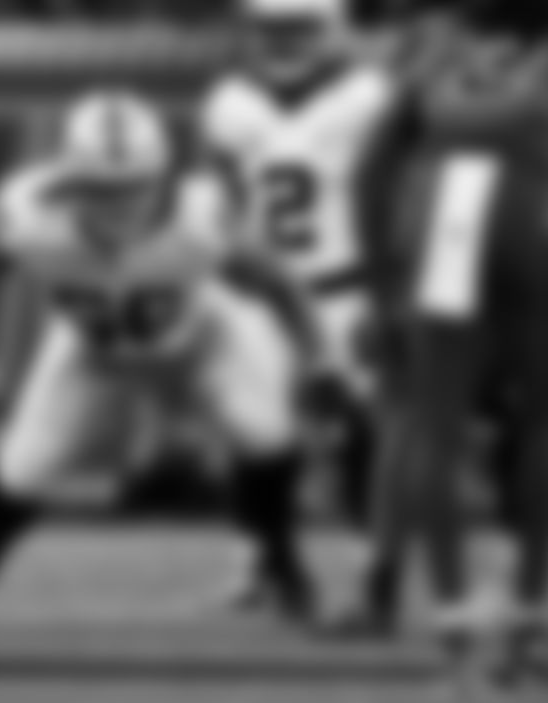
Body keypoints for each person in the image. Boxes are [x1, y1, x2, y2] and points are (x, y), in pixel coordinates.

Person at [0, 89, 337, 622]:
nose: (120, 202)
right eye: (103, 187)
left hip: (203, 336)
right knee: (21, 468)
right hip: (94, 350)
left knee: (264, 432)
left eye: (132, 186)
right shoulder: (29, 215)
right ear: (70, 177)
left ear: (162, 175)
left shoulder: (201, 215)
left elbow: (277, 283)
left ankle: (283, 570)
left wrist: (318, 355)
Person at [341, 0, 548, 685]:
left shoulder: (430, 43)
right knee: (547, 422)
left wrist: (380, 284)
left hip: (441, 222)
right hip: (522, 222)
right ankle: (529, 620)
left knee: (432, 429)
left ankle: (454, 629)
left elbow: (367, 170)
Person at [196, 0, 396, 617]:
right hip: (259, 296)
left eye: (301, 26)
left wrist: (389, 289)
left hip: (346, 285)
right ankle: (266, 562)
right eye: (272, 27)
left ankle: (373, 566)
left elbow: (399, 196)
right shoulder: (229, 101)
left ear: (336, 26)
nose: (285, 41)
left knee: (362, 431)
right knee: (261, 435)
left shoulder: (372, 96)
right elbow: (220, 201)